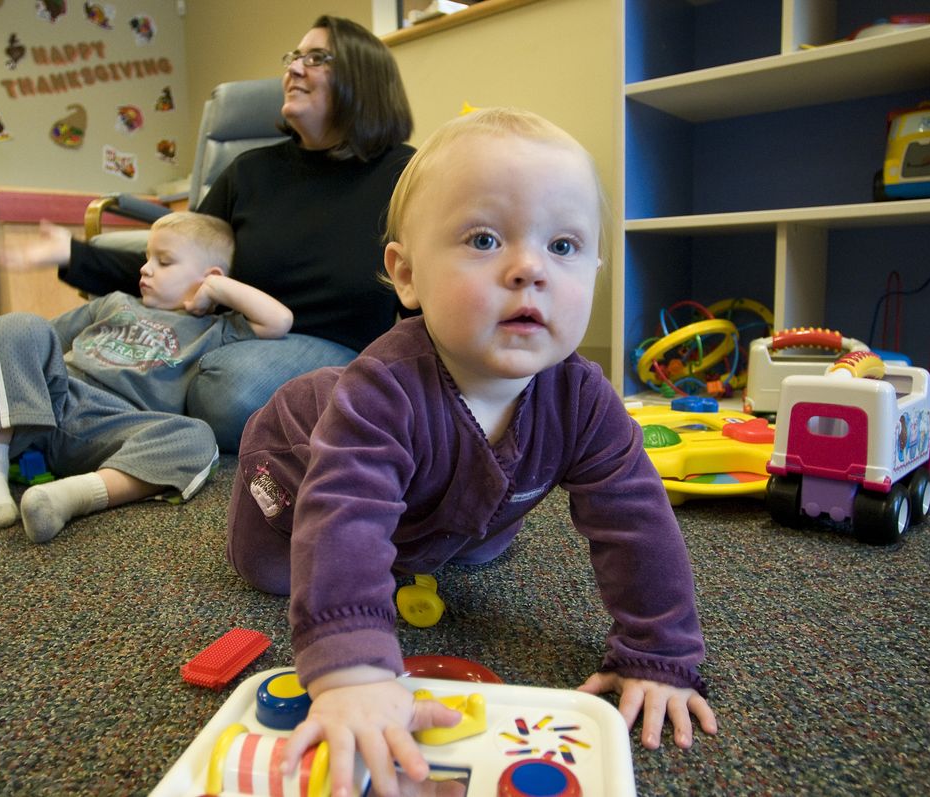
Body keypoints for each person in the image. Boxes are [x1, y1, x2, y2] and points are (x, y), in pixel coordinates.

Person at [225, 108, 718, 797]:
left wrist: (661, 649)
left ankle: (439, 532)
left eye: (566, 246)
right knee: (276, 571)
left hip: (442, 490)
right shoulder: (381, 388)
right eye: (484, 239)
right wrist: (355, 671)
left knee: (478, 544)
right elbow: (346, 516)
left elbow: (635, 519)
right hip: (296, 454)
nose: (529, 269)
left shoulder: (585, 397)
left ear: (599, 267)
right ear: (407, 274)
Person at [7, 15, 415, 451]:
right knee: (99, 347)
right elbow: (180, 264)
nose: (294, 68)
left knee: (225, 391)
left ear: (364, 76)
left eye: (316, 58)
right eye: (293, 57)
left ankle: (101, 422)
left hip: (330, 347)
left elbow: (423, 299)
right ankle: (17, 389)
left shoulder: (403, 176)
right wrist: (71, 253)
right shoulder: (250, 172)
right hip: (225, 334)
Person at [0, 212, 291, 544]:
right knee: (12, 323)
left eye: (164, 261)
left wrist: (216, 287)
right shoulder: (113, 302)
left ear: (209, 276)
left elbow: (279, 320)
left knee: (199, 438)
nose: (145, 268)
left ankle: (70, 498)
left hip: (115, 426)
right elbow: (36, 340)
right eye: (147, 258)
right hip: (55, 397)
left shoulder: (216, 330)